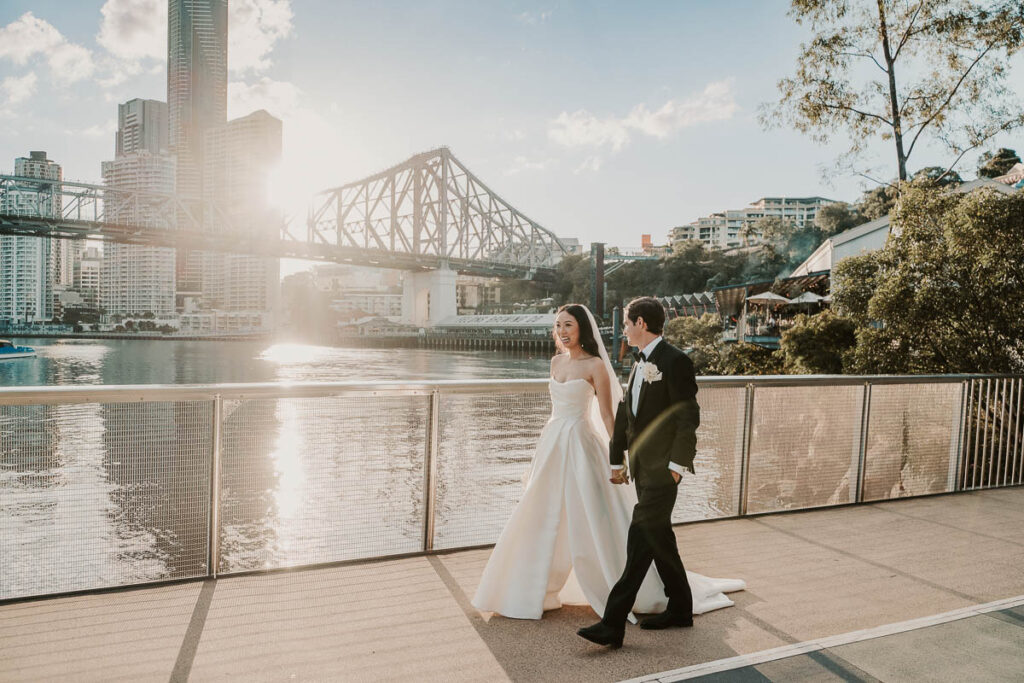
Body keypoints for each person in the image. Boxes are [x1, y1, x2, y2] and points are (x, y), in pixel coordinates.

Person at [472, 303, 743, 625]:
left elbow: (611, 415)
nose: (561, 331)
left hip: (588, 446)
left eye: (568, 325)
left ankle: (622, 613)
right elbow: (626, 410)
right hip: (553, 443)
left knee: (620, 523)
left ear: (582, 329)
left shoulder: (603, 365)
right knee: (541, 513)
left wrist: (635, 459)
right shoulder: (560, 362)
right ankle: (534, 590)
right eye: (558, 325)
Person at [577, 297, 742, 649]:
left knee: (639, 541)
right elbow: (626, 414)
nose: (623, 329)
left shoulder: (675, 361)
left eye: (625, 323)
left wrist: (677, 467)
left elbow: (687, 416)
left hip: (664, 471)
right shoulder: (638, 363)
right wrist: (617, 459)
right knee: (659, 539)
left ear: (640, 323)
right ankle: (680, 608)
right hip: (641, 467)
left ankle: (612, 622)